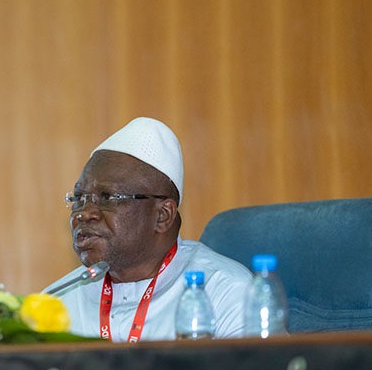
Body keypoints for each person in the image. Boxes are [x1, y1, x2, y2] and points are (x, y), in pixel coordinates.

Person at [45, 117, 251, 340]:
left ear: (162, 215)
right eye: (79, 198)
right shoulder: (57, 301)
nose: (84, 213)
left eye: (108, 197)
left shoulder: (227, 294)